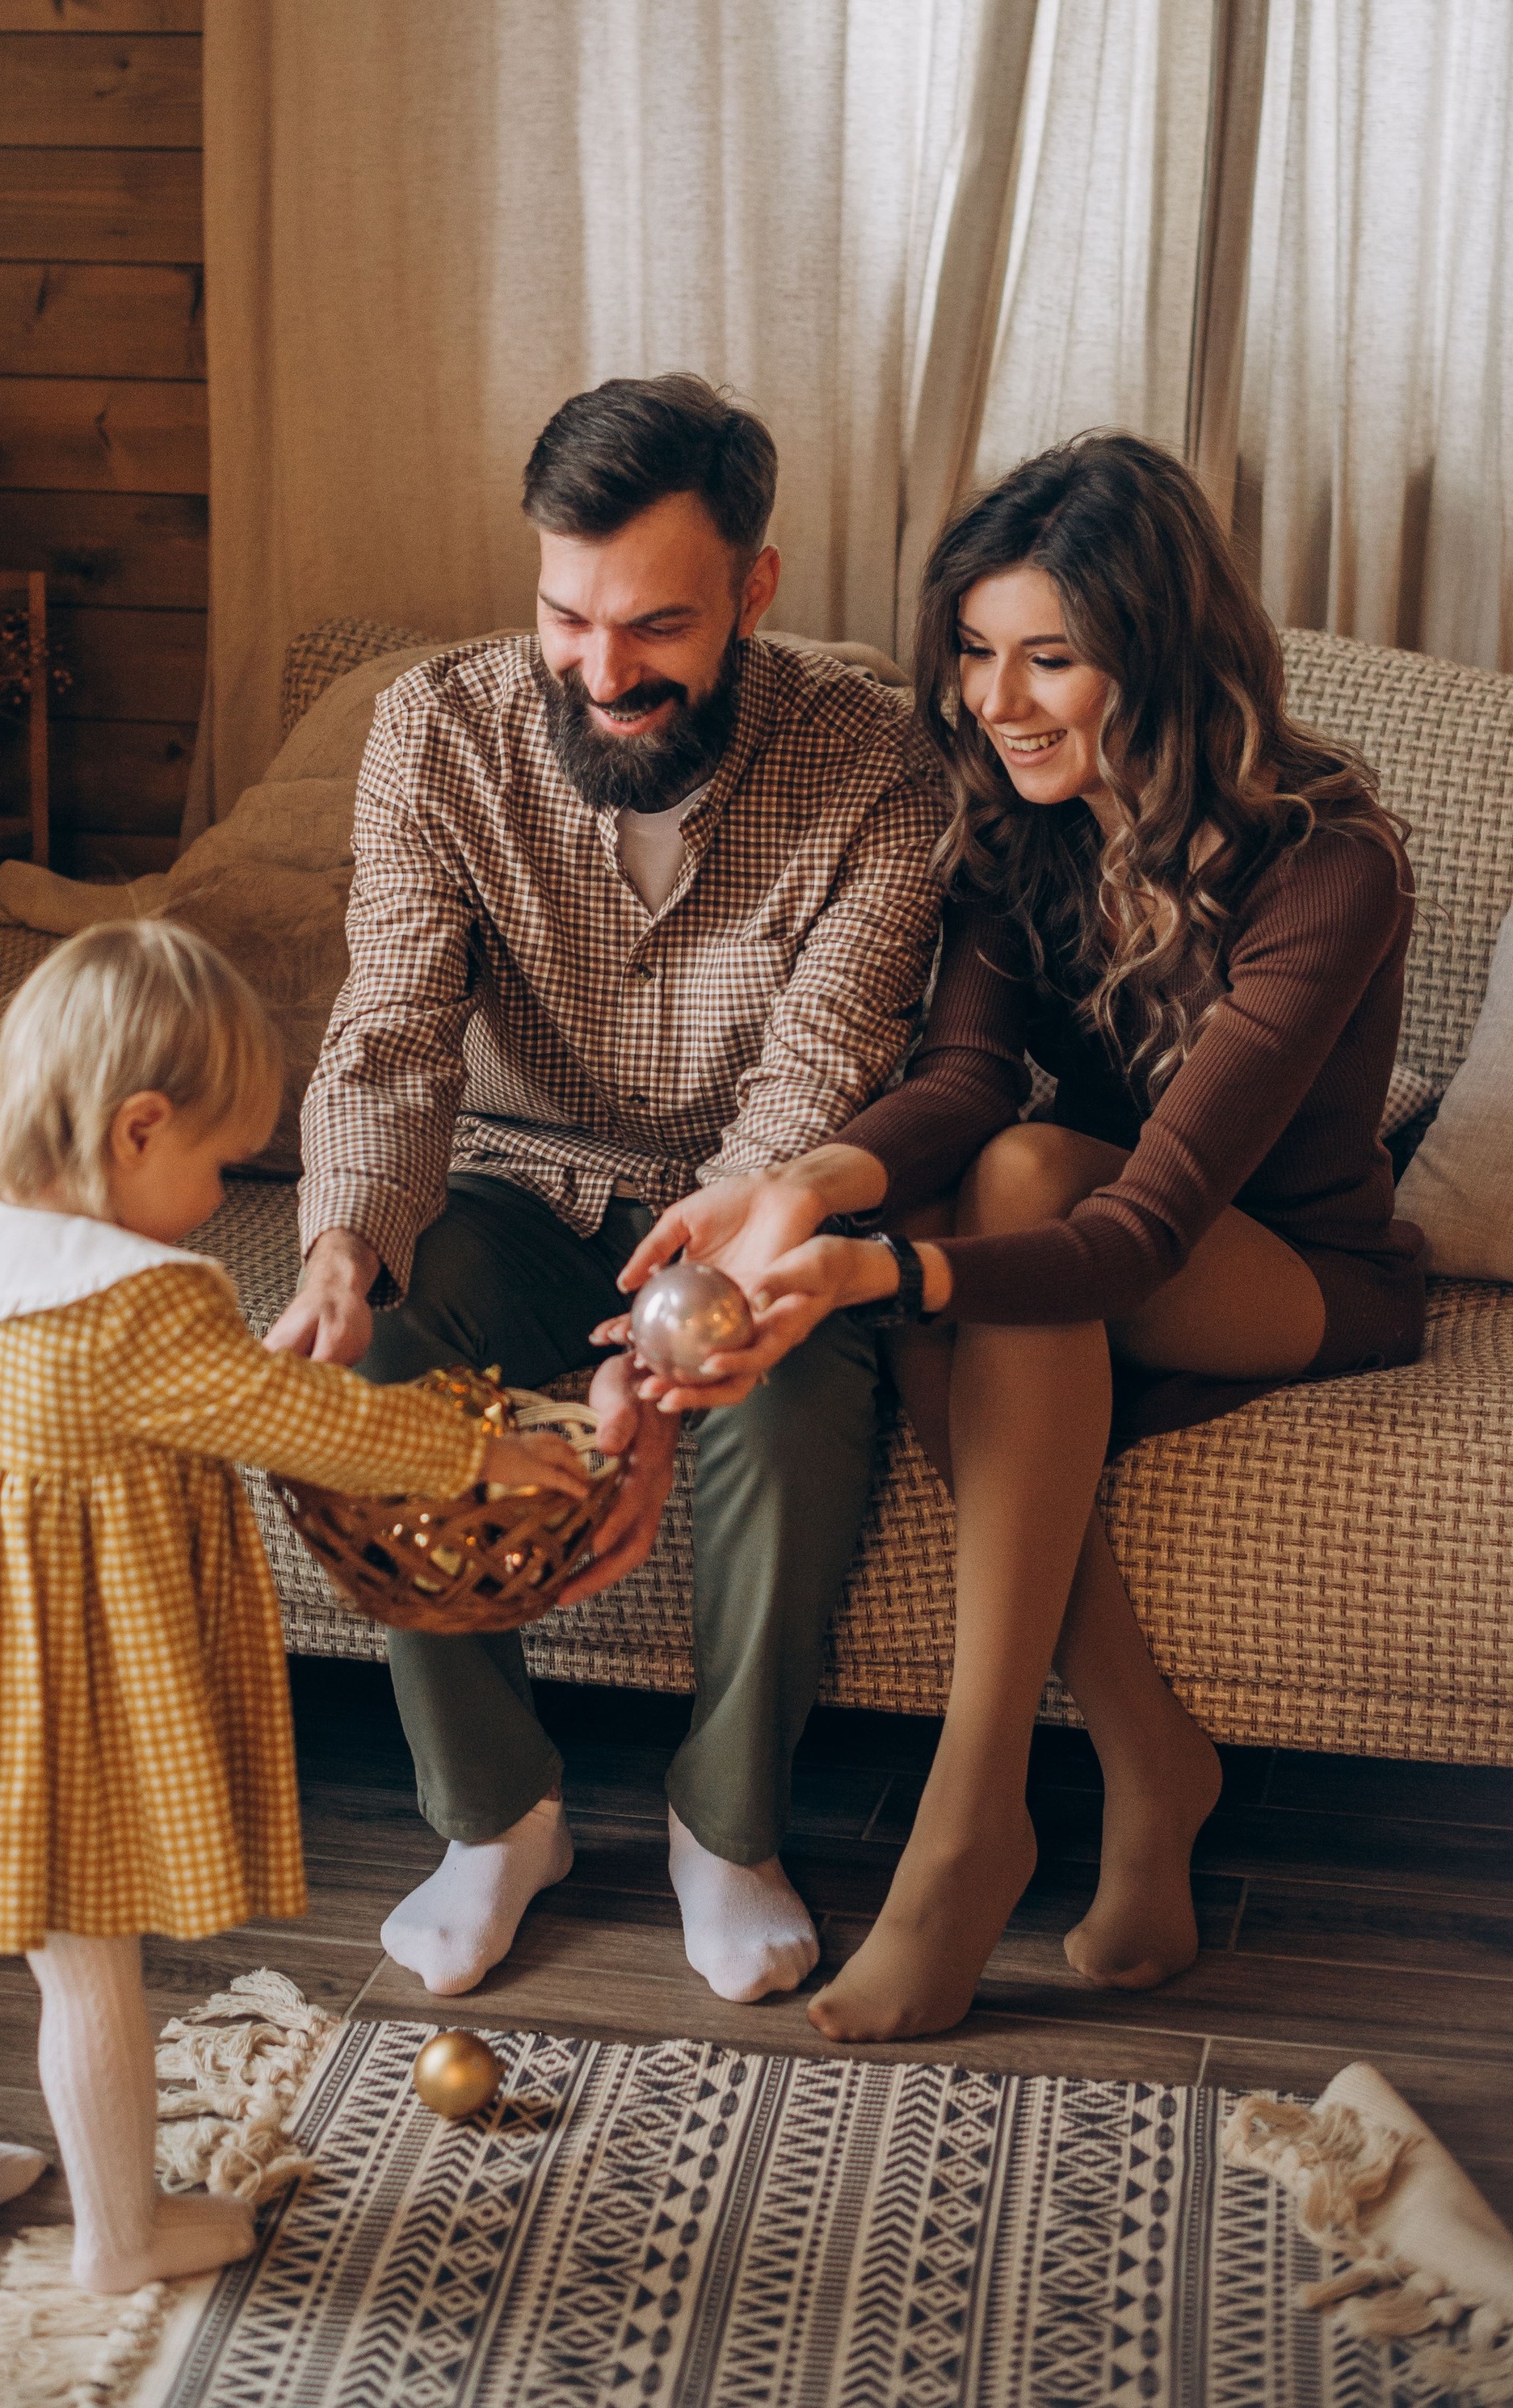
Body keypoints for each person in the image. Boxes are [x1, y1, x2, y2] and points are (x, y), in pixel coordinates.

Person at [614, 432, 1424, 2043]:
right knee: (949, 1169)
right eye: (976, 654)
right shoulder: (1013, 822)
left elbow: (1142, 1222)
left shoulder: (1328, 864)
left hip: (1292, 1275)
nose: (998, 700)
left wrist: (880, 1274)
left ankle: (965, 1833)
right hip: (1091, 1239)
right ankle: (1142, 1754)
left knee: (1020, 1181)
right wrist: (805, 1192)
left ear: (1161, 650)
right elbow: (959, 1073)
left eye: (1049, 657)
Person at [267, 373, 948, 2004]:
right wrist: (348, 1243)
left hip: (747, 1203)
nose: (602, 668)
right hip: (502, 1183)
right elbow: (390, 1032)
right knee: (368, 1358)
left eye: (652, 624)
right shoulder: (433, 728)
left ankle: (725, 1826)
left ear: (753, 590)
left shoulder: (881, 769)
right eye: (566, 615)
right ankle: (495, 1816)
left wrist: (666, 1332)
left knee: (781, 1403)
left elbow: (812, 1075)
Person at [0, 920, 590, 2293]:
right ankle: (124, 2235)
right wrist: (484, 1448)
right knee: (85, 1962)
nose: (225, 1185)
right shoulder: (145, 1305)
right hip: (65, 1676)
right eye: (220, 1161)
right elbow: (311, 1422)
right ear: (137, 1129)